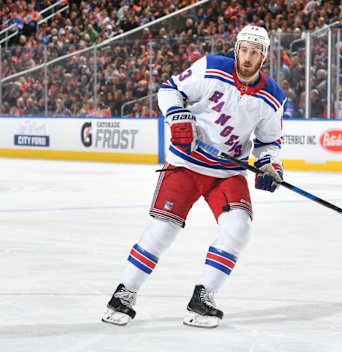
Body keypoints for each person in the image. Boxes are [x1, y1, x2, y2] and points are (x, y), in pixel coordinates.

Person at [101, 25, 286, 328]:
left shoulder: (273, 96)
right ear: (236, 48)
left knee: (239, 228)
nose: (248, 57)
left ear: (264, 56)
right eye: (244, 49)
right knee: (164, 229)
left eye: (255, 52)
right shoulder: (211, 67)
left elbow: (269, 142)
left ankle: (203, 296)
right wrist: (178, 116)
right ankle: (124, 293)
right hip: (186, 164)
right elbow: (170, 89)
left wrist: (270, 165)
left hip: (227, 172)